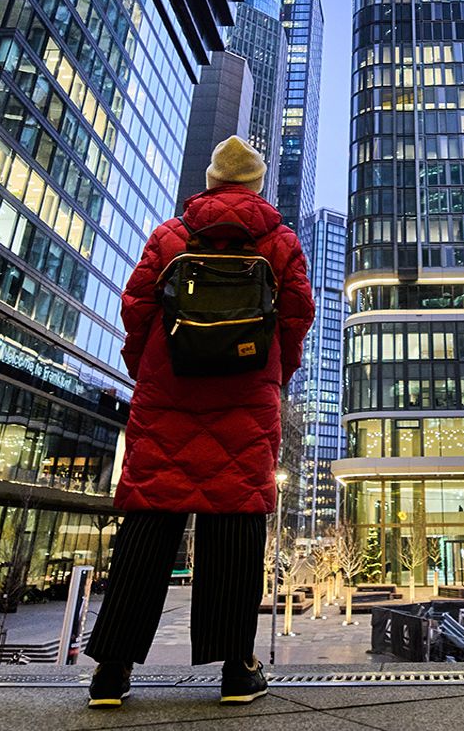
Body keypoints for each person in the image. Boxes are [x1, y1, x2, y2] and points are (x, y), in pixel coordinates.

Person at [85, 137, 313, 709]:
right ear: (257, 185)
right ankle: (236, 670)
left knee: (148, 523)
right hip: (245, 396)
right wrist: (276, 372)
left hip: (168, 394)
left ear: (211, 182)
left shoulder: (170, 235)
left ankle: (111, 673)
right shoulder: (280, 241)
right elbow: (297, 313)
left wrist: (146, 367)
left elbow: (135, 306)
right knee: (235, 524)